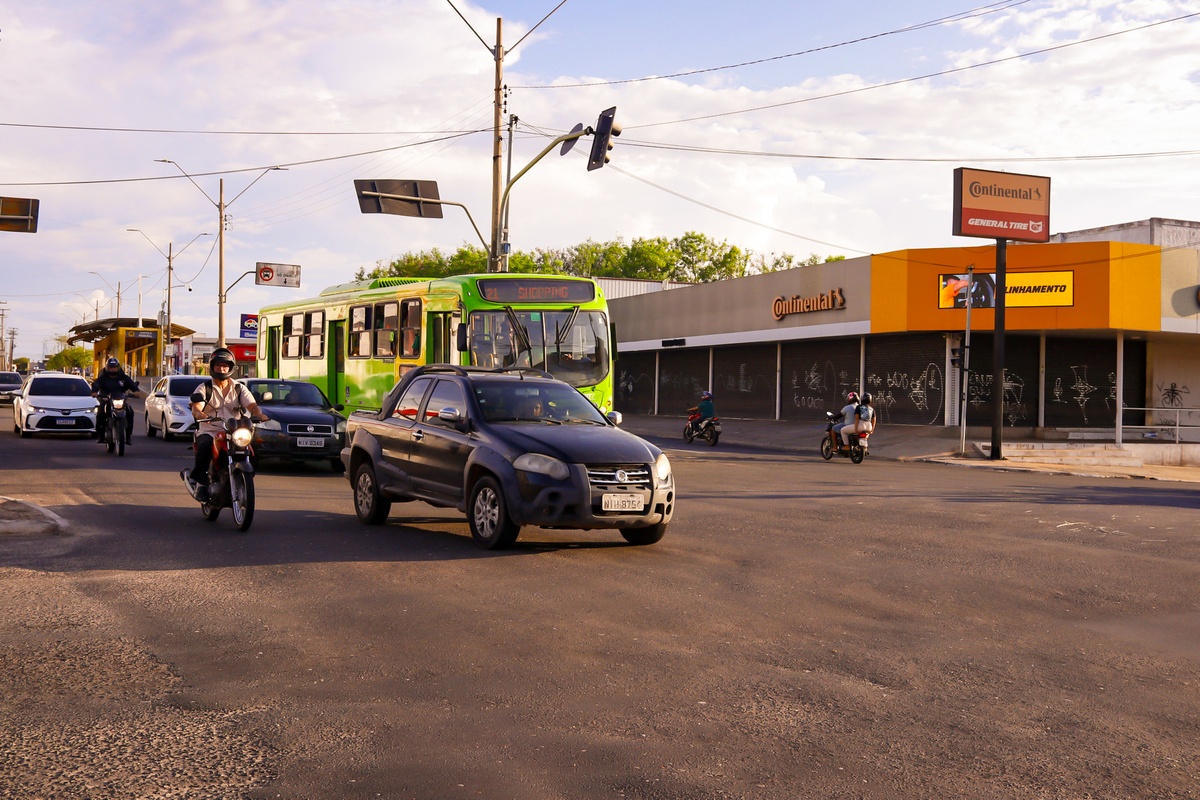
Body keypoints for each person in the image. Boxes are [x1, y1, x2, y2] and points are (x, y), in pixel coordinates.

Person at [183, 348, 269, 502]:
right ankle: (200, 483)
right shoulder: (205, 388)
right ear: (212, 367)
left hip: (234, 431)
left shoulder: (239, 388)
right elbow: (196, 407)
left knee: (255, 445)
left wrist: (260, 414)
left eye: (225, 366)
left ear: (231, 367)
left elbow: (252, 405)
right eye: (218, 365)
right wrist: (199, 414)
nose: (221, 369)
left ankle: (244, 478)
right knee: (205, 447)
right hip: (210, 430)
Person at [91, 357, 145, 445]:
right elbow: (96, 384)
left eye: (114, 367)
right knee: (100, 412)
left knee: (130, 412)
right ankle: (101, 435)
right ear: (107, 368)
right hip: (106, 399)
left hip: (121, 399)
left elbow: (132, 385)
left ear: (118, 367)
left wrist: (136, 391)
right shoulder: (103, 378)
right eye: (111, 367)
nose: (113, 369)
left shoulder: (123, 377)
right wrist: (94, 392)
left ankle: (128, 436)